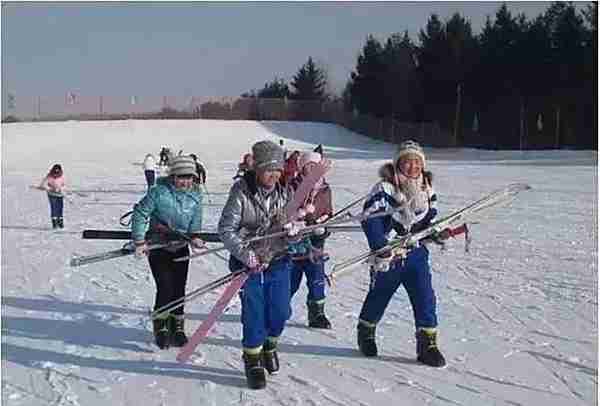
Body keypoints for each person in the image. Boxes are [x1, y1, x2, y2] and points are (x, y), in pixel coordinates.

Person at [356, 140, 448, 367]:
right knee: (379, 296)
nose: (413, 167)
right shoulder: (385, 188)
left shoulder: (426, 188)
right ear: (399, 163)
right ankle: (366, 331)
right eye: (408, 162)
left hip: (416, 254)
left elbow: (429, 219)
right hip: (390, 254)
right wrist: (380, 245)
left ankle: (428, 344)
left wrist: (435, 233)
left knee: (425, 297)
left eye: (417, 162)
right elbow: (371, 218)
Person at [218, 140, 293, 390]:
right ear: (257, 169)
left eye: (277, 170)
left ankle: (270, 344)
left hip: (279, 261)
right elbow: (226, 229)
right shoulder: (241, 191)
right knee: (254, 313)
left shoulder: (286, 192)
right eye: (268, 169)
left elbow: (294, 225)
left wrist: (295, 232)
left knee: (281, 311)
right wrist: (246, 255)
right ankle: (252, 360)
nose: (273, 175)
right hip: (249, 266)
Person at [131, 155, 206, 350]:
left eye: (189, 177)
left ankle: (177, 326)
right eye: (181, 177)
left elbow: (196, 219)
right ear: (173, 176)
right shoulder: (159, 192)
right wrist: (139, 241)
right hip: (159, 246)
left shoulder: (196, 195)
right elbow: (140, 213)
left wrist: (195, 235)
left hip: (181, 246)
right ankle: (161, 326)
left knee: (179, 289)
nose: (185, 181)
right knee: (165, 287)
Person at [288, 150, 333, 329]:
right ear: (302, 168)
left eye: (315, 166)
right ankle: (278, 307)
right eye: (308, 166)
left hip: (315, 244)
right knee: (290, 280)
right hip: (294, 244)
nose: (312, 170)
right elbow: (286, 211)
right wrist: (296, 221)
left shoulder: (325, 189)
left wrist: (323, 228)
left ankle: (317, 313)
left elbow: (329, 213)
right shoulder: (293, 186)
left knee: (317, 279)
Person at [38, 164, 66, 229]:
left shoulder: (62, 176)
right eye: (55, 170)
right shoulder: (49, 176)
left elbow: (64, 185)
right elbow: (43, 185)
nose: (56, 171)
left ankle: (60, 222)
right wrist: (50, 189)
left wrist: (60, 189)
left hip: (60, 194)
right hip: (52, 195)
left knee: (60, 208)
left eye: (58, 170)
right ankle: (55, 223)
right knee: (54, 208)